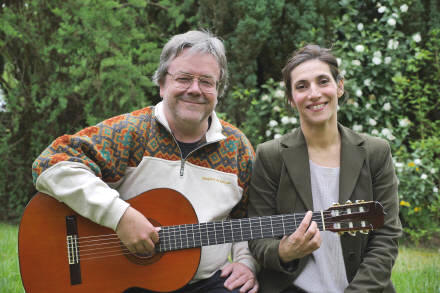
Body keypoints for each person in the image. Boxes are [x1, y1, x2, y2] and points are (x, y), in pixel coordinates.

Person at [32, 30, 258, 293]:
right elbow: (50, 163)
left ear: (218, 90)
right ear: (162, 84)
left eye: (207, 82)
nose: (195, 89)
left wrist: (246, 261)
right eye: (184, 78)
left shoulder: (237, 148)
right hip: (125, 281)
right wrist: (120, 216)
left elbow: (247, 216)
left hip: (205, 284)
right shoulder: (130, 132)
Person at [247, 44, 402, 293]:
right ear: (290, 97)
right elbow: (257, 235)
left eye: (322, 81)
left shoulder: (375, 152)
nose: (314, 93)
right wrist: (283, 251)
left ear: (339, 86)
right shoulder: (270, 155)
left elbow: (386, 237)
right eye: (301, 86)